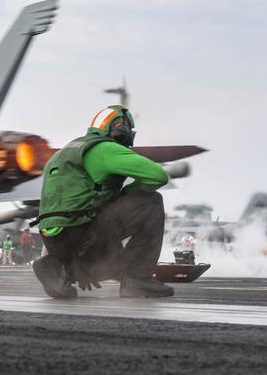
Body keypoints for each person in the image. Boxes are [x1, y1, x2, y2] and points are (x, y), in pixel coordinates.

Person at [31, 105, 172, 299]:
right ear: (122, 130)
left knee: (108, 262)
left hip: (53, 240)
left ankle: (58, 269)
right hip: (83, 232)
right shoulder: (105, 148)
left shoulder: (65, 153)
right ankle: (138, 281)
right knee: (152, 202)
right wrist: (126, 193)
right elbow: (159, 176)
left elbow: (59, 213)